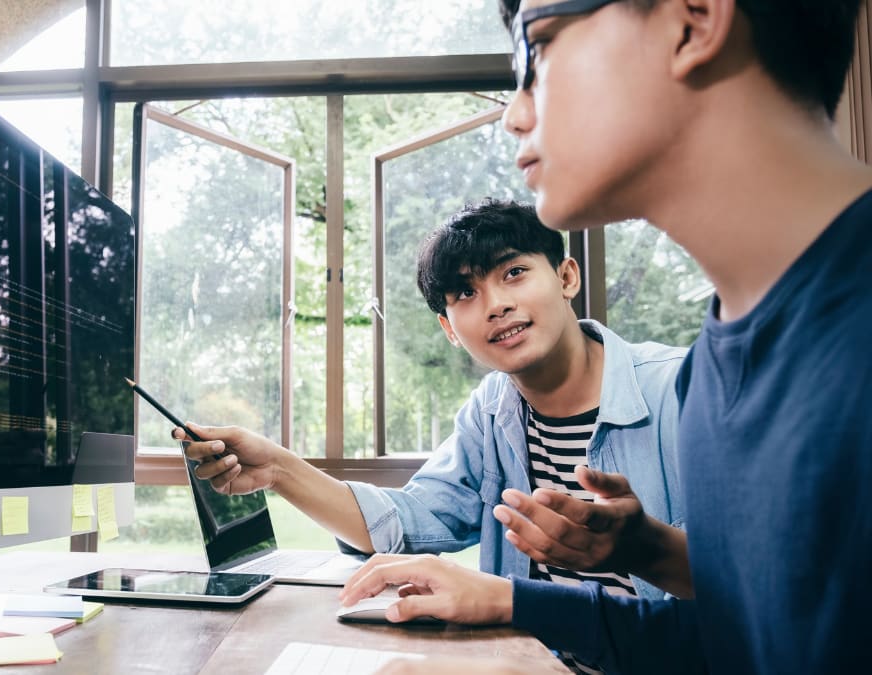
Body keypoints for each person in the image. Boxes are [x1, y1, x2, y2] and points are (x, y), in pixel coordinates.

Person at [340, 0, 872, 673]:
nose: (515, 113)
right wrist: (642, 552)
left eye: (539, 50)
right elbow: (736, 636)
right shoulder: (714, 367)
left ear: (695, 19)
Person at [180, 199, 688, 669]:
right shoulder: (490, 411)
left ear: (566, 276)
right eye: (466, 293)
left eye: (514, 272)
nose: (495, 305)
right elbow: (408, 523)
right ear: (449, 328)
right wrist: (278, 470)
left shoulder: (683, 390)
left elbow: (751, 596)